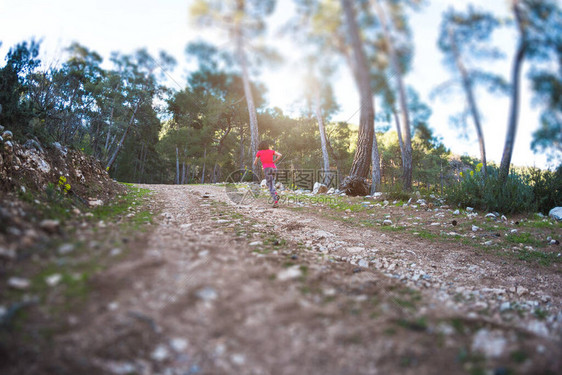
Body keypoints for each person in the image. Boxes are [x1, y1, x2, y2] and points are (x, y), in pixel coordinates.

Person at [253, 141, 282, 208]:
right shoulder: (271, 151)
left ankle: (276, 202)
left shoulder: (259, 152)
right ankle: (275, 194)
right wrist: (275, 161)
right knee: (270, 183)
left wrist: (258, 163)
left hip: (267, 169)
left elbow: (255, 162)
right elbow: (280, 155)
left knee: (270, 185)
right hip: (274, 169)